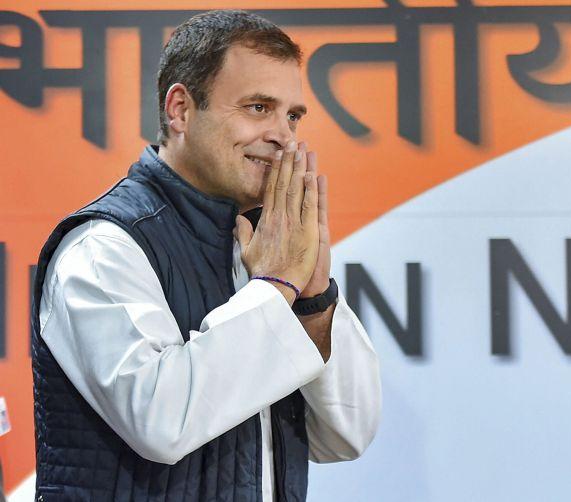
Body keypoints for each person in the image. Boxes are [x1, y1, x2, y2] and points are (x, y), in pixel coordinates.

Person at [31, 10, 381, 502]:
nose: (283, 134)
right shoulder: (103, 246)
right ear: (180, 110)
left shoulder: (266, 245)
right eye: (259, 107)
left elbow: (347, 434)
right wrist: (278, 287)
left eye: (293, 115)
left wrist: (315, 298)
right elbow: (160, 419)